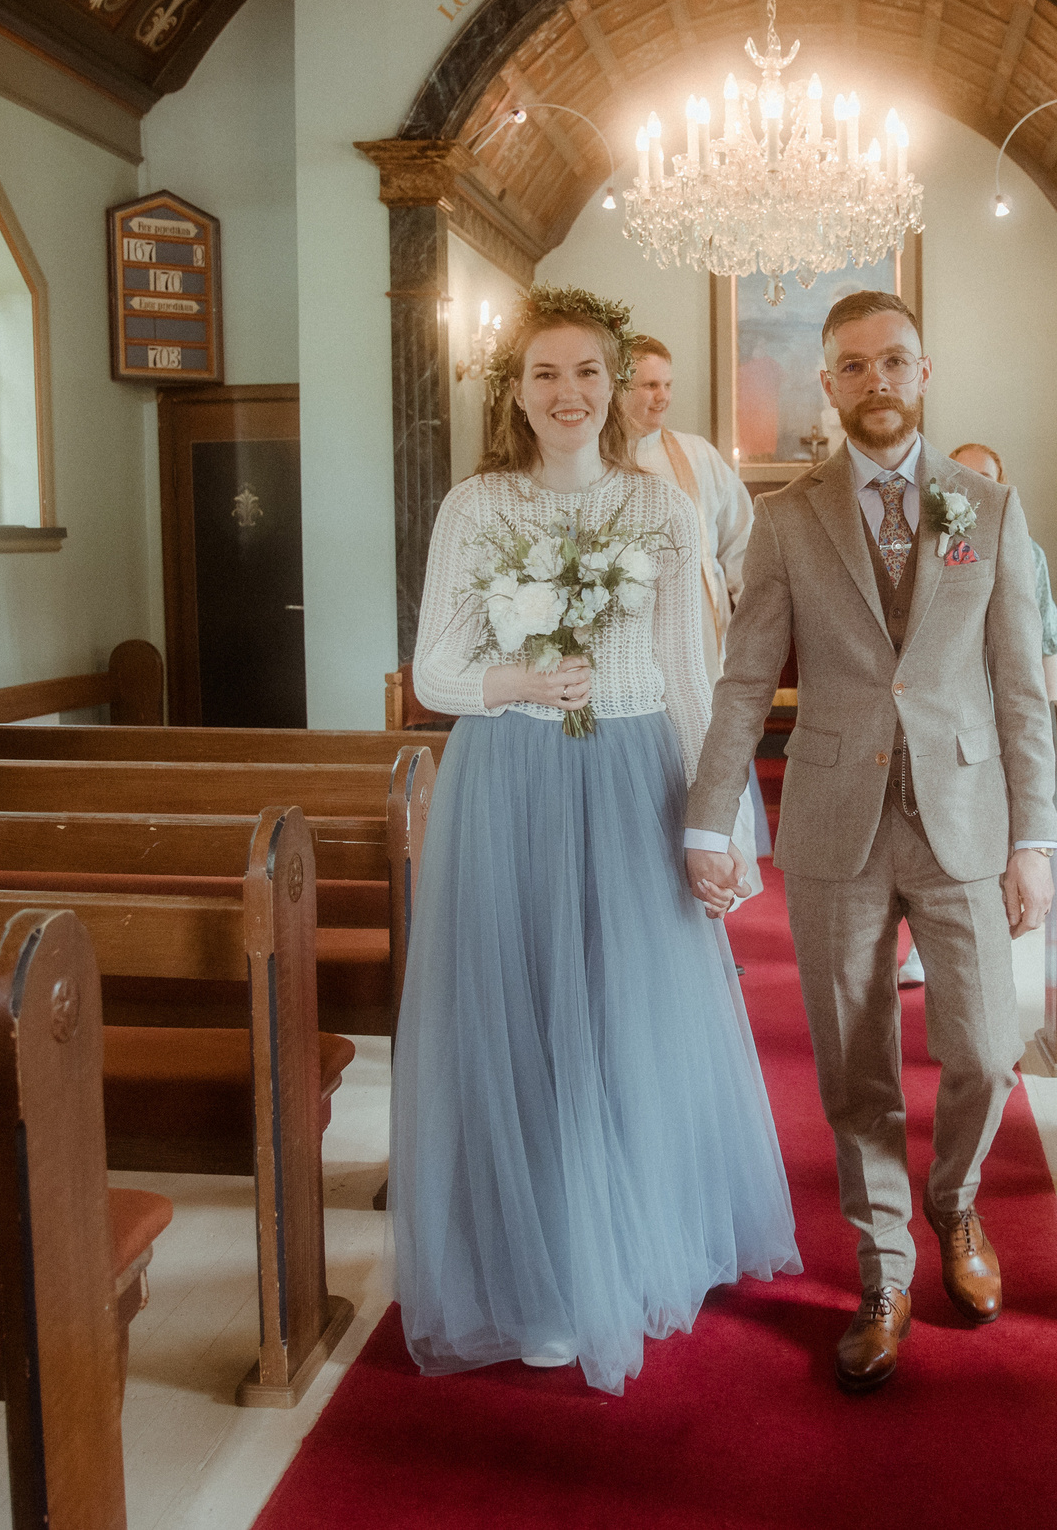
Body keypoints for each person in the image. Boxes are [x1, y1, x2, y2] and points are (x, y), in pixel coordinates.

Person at [394, 285, 799, 1395]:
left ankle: (621, 1249)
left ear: (616, 385)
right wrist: (518, 679)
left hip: (632, 778)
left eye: (586, 372)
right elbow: (433, 673)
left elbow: (687, 677)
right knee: (523, 1023)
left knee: (626, 1020)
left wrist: (715, 822)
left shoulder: (663, 510)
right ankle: (534, 1277)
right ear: (514, 392)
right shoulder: (475, 508)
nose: (567, 393)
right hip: (509, 781)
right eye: (544, 374)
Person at [680, 290, 1057, 1393]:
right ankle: (884, 1267)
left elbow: (1018, 691)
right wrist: (713, 814)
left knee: (985, 1050)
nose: (875, 381)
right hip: (836, 822)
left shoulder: (987, 508)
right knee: (854, 1070)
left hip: (965, 821)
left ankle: (954, 1201)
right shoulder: (789, 518)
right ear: (829, 386)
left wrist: (1035, 838)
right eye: (853, 366)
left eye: (894, 361)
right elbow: (747, 676)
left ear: (924, 373)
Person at [622, 334, 770, 894]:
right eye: (647, 385)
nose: (661, 398)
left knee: (709, 749)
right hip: (632, 639)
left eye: (666, 385)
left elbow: (741, 540)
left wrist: (752, 609)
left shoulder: (697, 454)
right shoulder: (598, 455)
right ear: (619, 388)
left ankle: (723, 887)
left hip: (702, 636)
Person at [949, 443, 1057, 702]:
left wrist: (1053, 727)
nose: (973, 488)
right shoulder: (931, 549)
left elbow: (1048, 645)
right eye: (963, 477)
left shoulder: (1028, 553)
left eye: (984, 479)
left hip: (1009, 699)